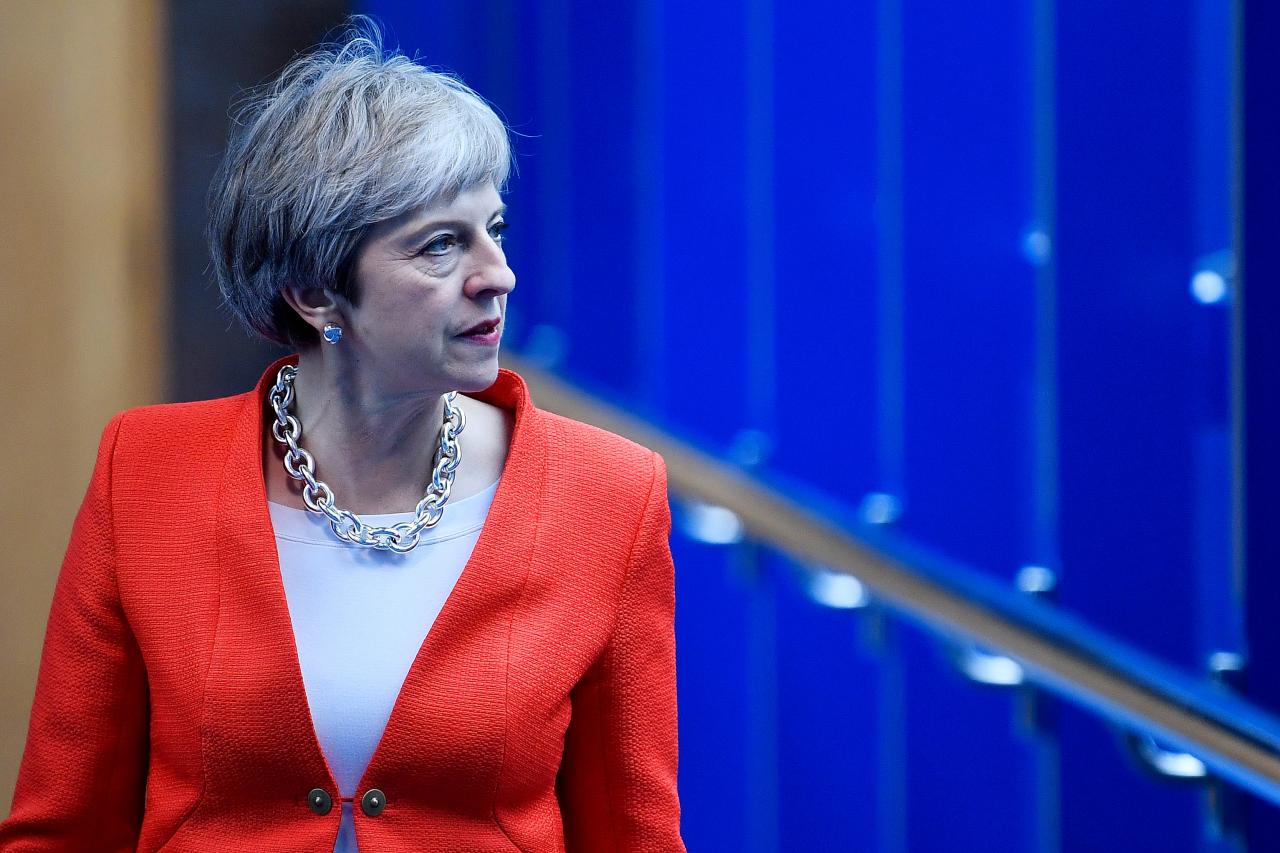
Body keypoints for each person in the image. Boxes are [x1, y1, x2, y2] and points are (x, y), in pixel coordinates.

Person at [0, 18, 684, 853]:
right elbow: (62, 828)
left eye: (494, 230)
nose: (496, 273)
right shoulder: (143, 474)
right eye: (441, 245)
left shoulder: (609, 496)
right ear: (316, 293)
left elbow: (635, 836)